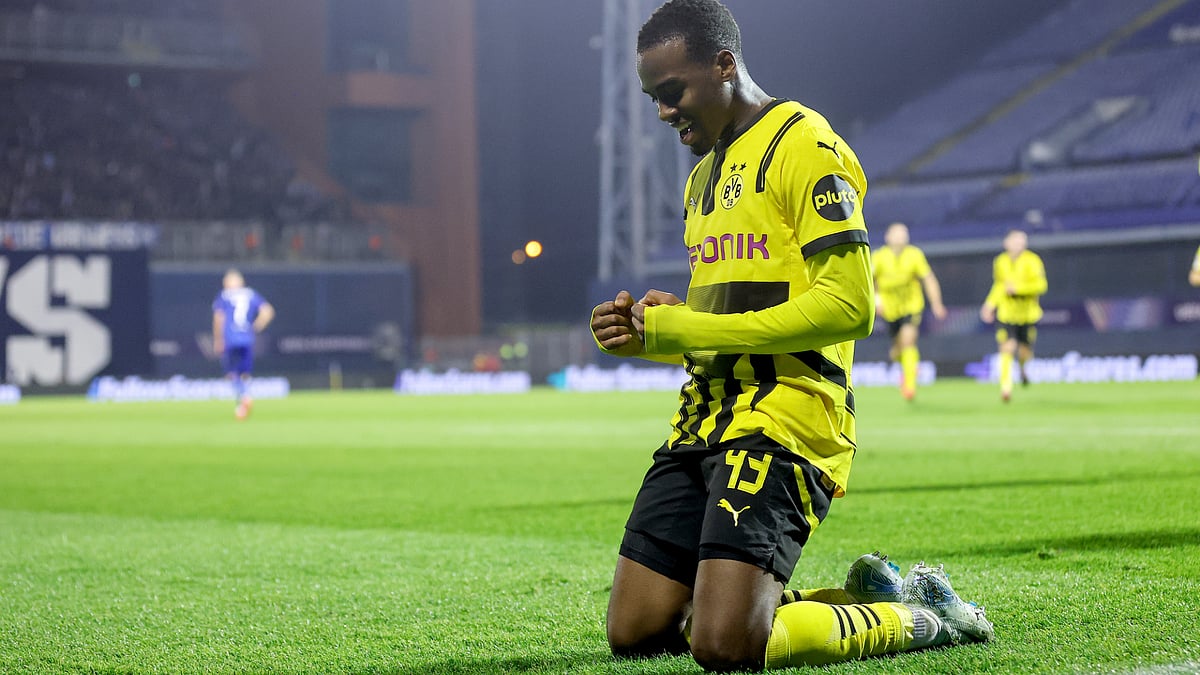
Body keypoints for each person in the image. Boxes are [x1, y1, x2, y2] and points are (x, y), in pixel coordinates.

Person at [589, 1, 993, 670]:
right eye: (653, 98)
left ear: (724, 64)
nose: (663, 112)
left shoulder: (803, 142)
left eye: (672, 92)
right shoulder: (700, 180)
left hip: (787, 420)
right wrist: (651, 335)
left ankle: (921, 615)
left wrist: (689, 323)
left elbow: (849, 305)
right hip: (702, 422)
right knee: (635, 631)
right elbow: (729, 318)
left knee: (724, 644)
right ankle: (836, 597)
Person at [872, 222, 947, 401]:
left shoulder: (915, 255)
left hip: (911, 307)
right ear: (887, 237)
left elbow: (928, 279)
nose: (901, 237)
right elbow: (869, 282)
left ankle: (909, 386)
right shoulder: (878, 257)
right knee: (896, 352)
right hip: (889, 311)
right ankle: (908, 367)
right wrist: (876, 301)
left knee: (908, 341)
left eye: (903, 233)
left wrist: (936, 303)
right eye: (896, 233)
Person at [979, 229, 1046, 402]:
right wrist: (989, 305)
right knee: (1007, 348)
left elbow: (1041, 285)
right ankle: (1006, 388)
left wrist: (1018, 289)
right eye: (1015, 241)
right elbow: (999, 286)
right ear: (1006, 243)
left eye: (1021, 242)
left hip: (1027, 315)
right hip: (1006, 314)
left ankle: (1023, 369)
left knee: (1024, 352)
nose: (1019, 245)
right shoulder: (1000, 261)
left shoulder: (1033, 261)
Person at [212, 269, 274, 419]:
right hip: (246, 338)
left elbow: (218, 318)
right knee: (245, 373)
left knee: (232, 373)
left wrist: (218, 339)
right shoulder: (250, 294)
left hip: (230, 338)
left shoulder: (224, 296)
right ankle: (242, 404)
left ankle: (244, 397)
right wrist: (255, 327)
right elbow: (268, 311)